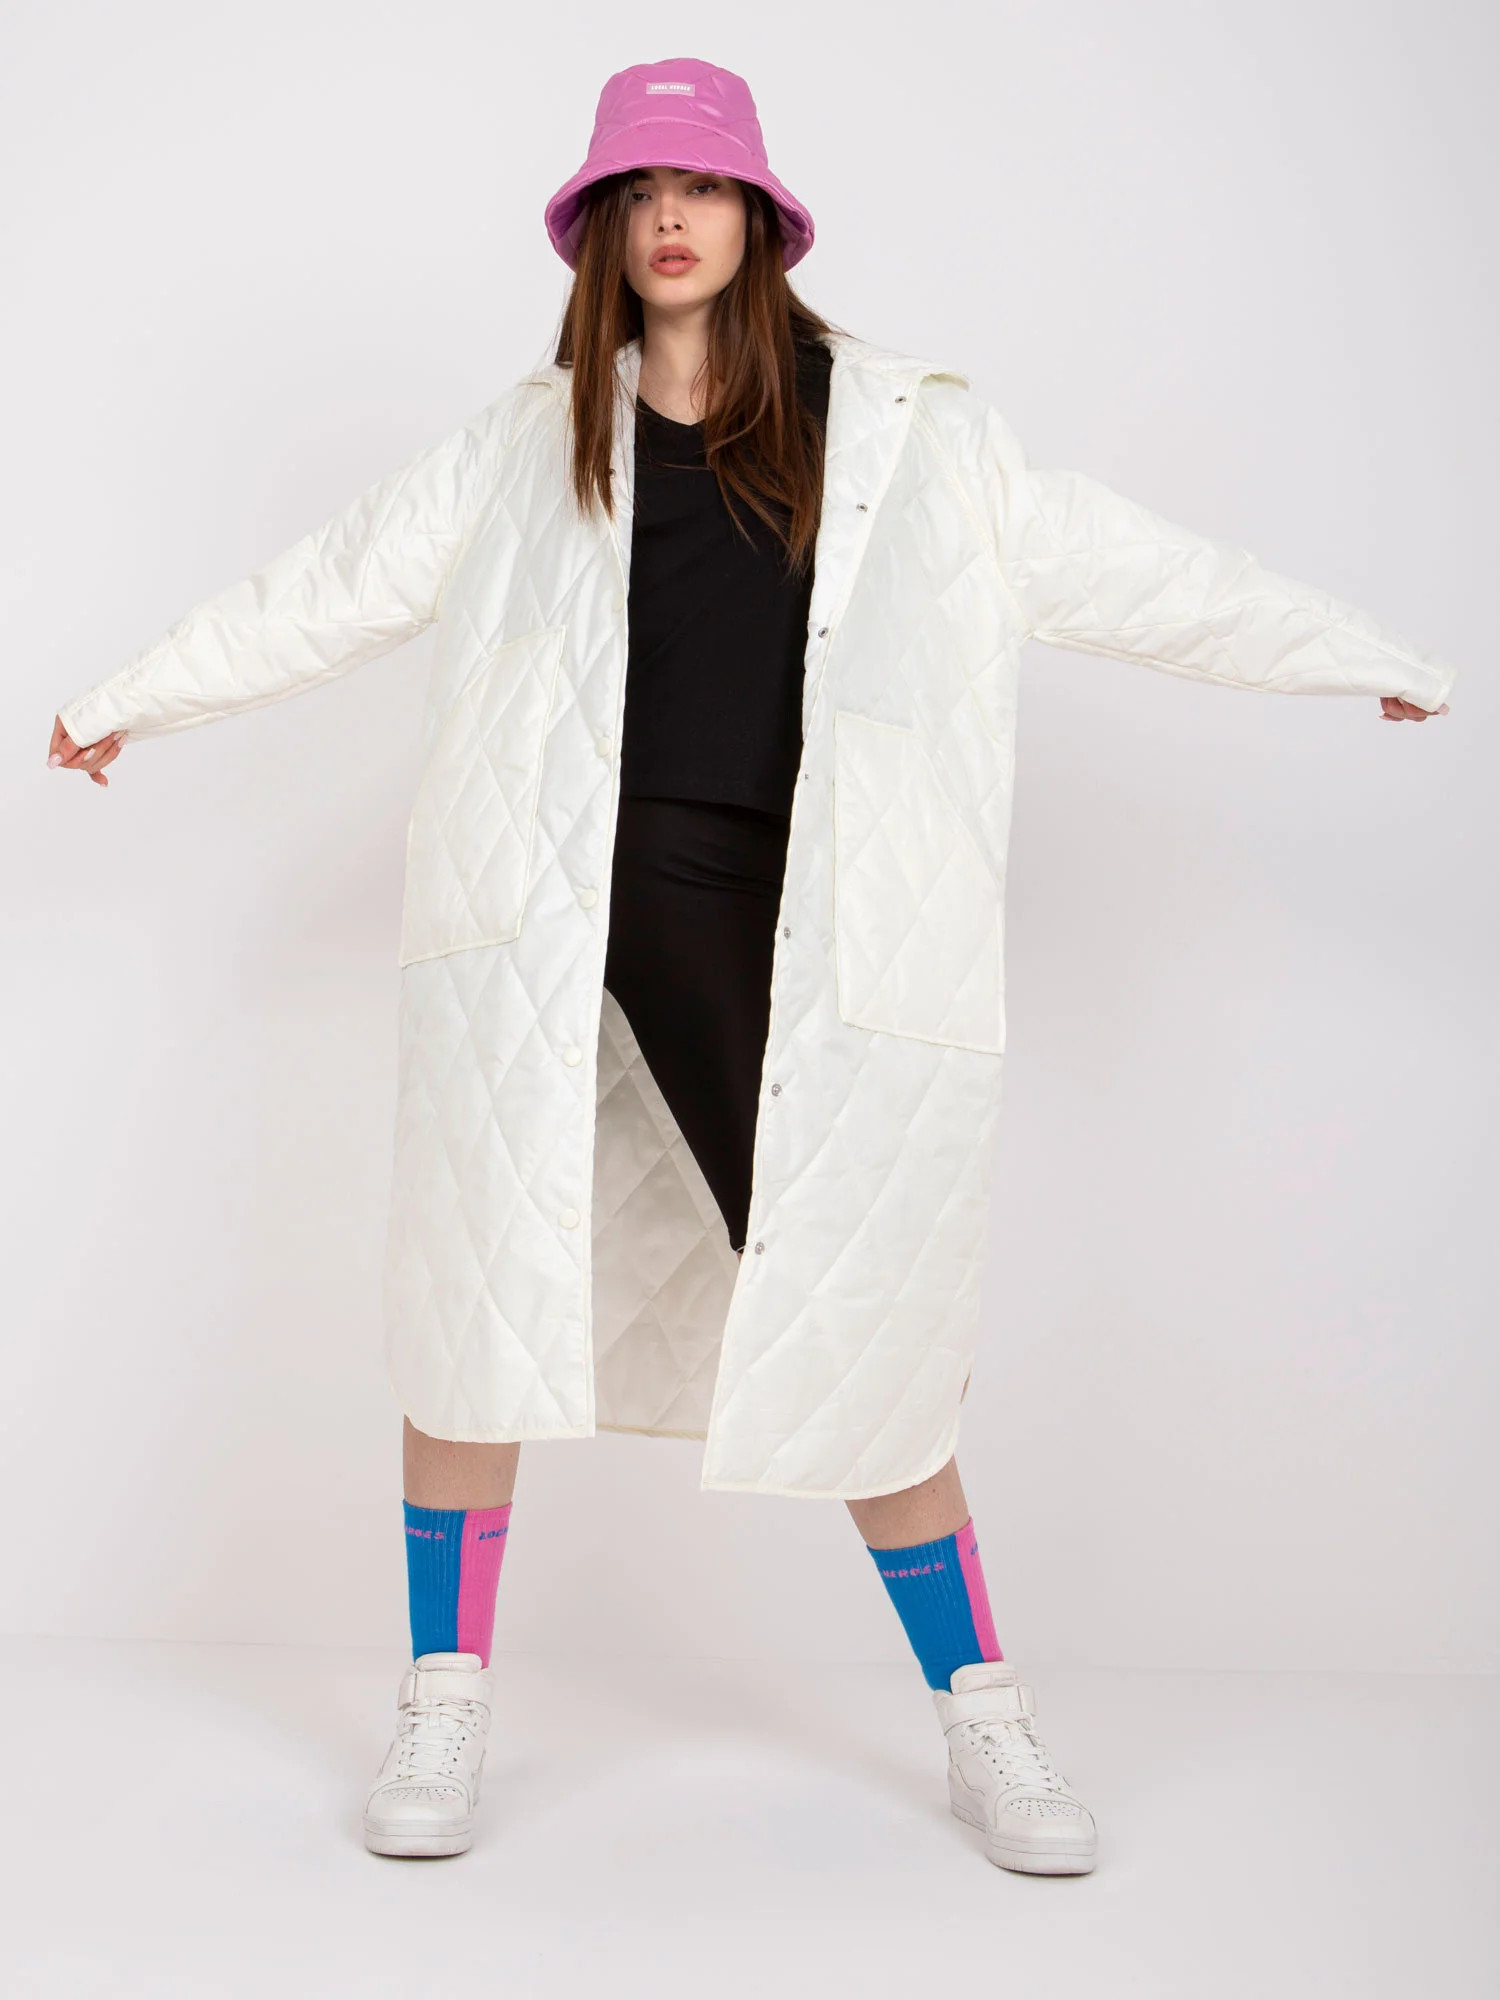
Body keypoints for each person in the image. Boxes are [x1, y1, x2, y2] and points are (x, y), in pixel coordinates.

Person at [48, 57, 1457, 1879]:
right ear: (598, 232)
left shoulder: (911, 436)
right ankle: (443, 1702)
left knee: (860, 1327)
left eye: (700, 186)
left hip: (800, 931)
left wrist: (1364, 653)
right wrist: (132, 698)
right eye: (637, 192)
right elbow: (324, 588)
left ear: (762, 219)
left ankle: (986, 1721)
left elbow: (1132, 569)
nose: (669, 217)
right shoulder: (523, 444)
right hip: (562, 919)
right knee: (472, 1317)